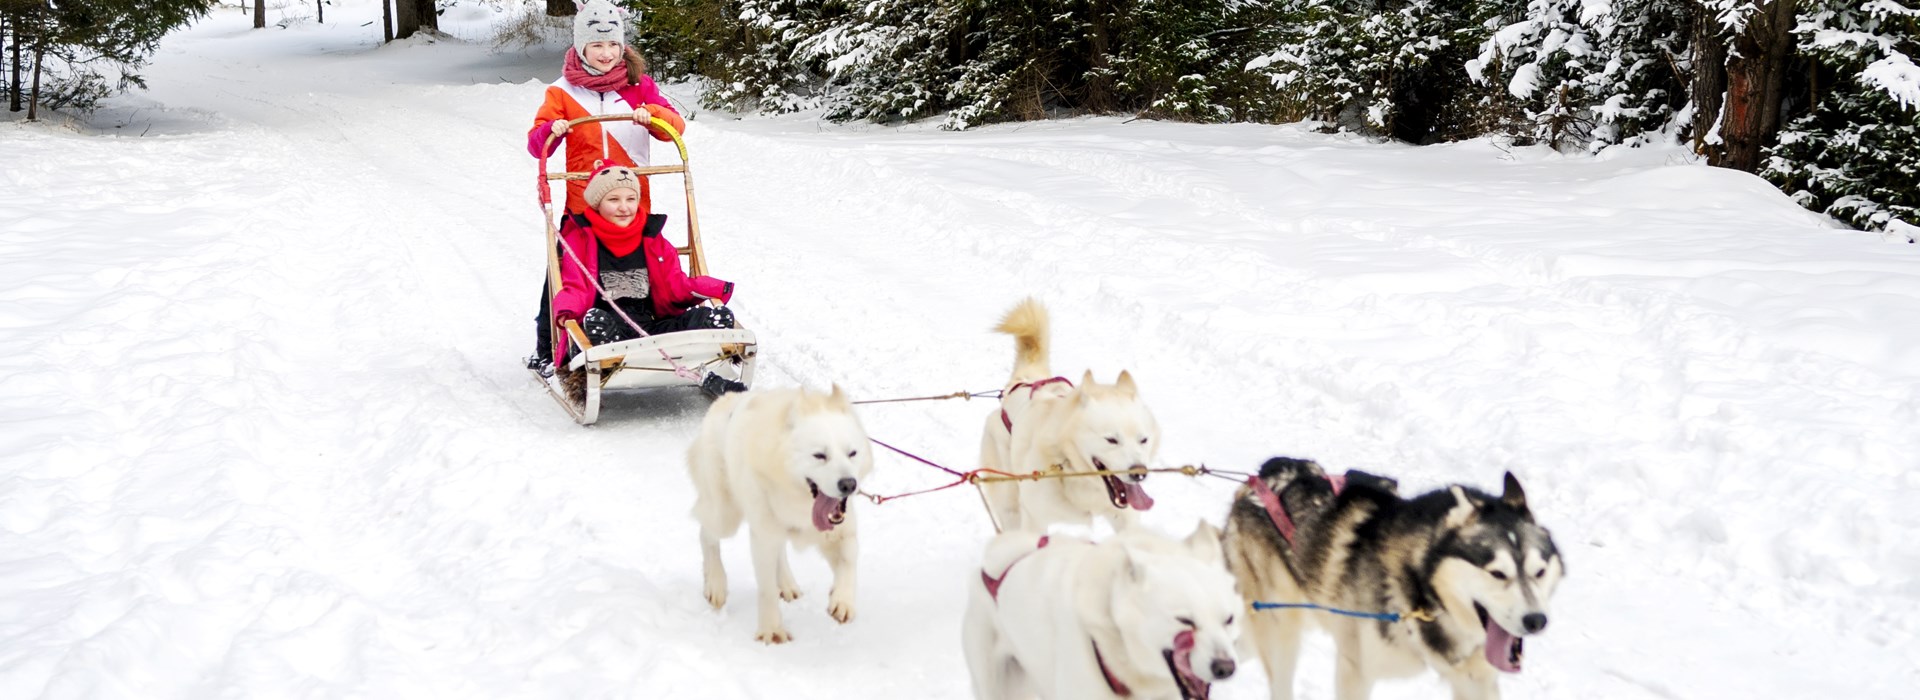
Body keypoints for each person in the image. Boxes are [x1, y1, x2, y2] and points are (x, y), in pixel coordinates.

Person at [527, 0, 688, 374]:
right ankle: (548, 348)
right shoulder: (562, 92)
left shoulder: (639, 86)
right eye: (597, 45)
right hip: (582, 205)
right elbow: (536, 145)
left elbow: (675, 128)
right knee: (566, 270)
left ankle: (651, 331)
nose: (606, 53)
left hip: (632, 202)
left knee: (646, 269)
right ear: (581, 46)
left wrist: (655, 117)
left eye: (613, 45)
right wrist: (550, 131)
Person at [542, 164, 746, 397]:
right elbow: (575, 285)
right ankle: (607, 349)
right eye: (613, 199)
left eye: (631, 198)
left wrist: (712, 288)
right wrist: (566, 310)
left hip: (651, 324)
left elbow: (674, 283)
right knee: (594, 323)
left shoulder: (652, 236)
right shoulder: (581, 239)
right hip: (610, 324)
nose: (624, 207)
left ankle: (711, 339)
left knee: (698, 317)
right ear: (597, 203)